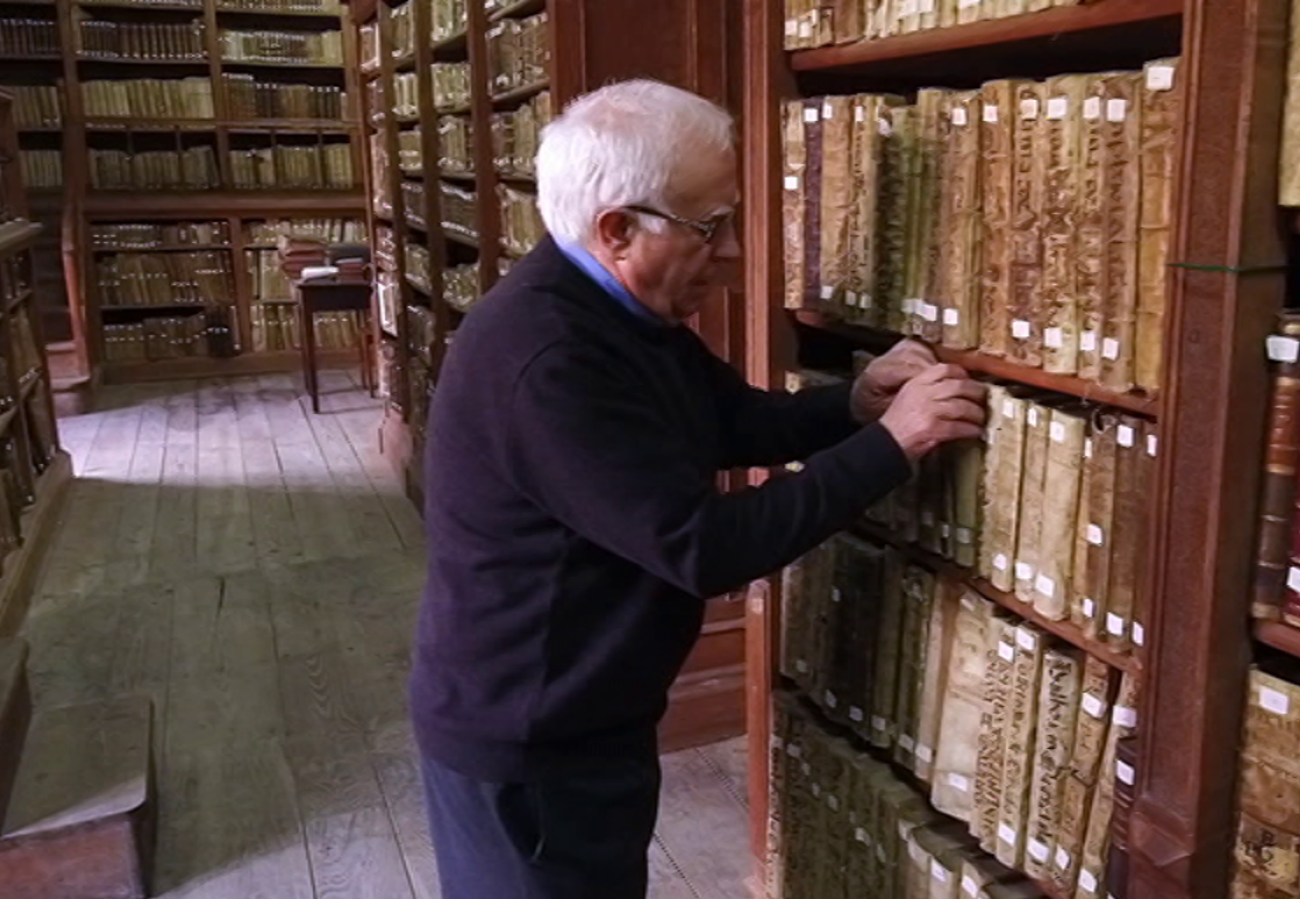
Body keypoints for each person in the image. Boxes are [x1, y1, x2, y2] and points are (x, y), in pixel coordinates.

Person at [410, 78, 987, 899]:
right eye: (709, 227)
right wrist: (892, 446)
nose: (733, 251)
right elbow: (704, 547)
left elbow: (728, 418)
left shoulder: (617, 310)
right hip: (530, 736)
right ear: (617, 229)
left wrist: (855, 404)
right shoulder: (548, 359)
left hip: (591, 710)